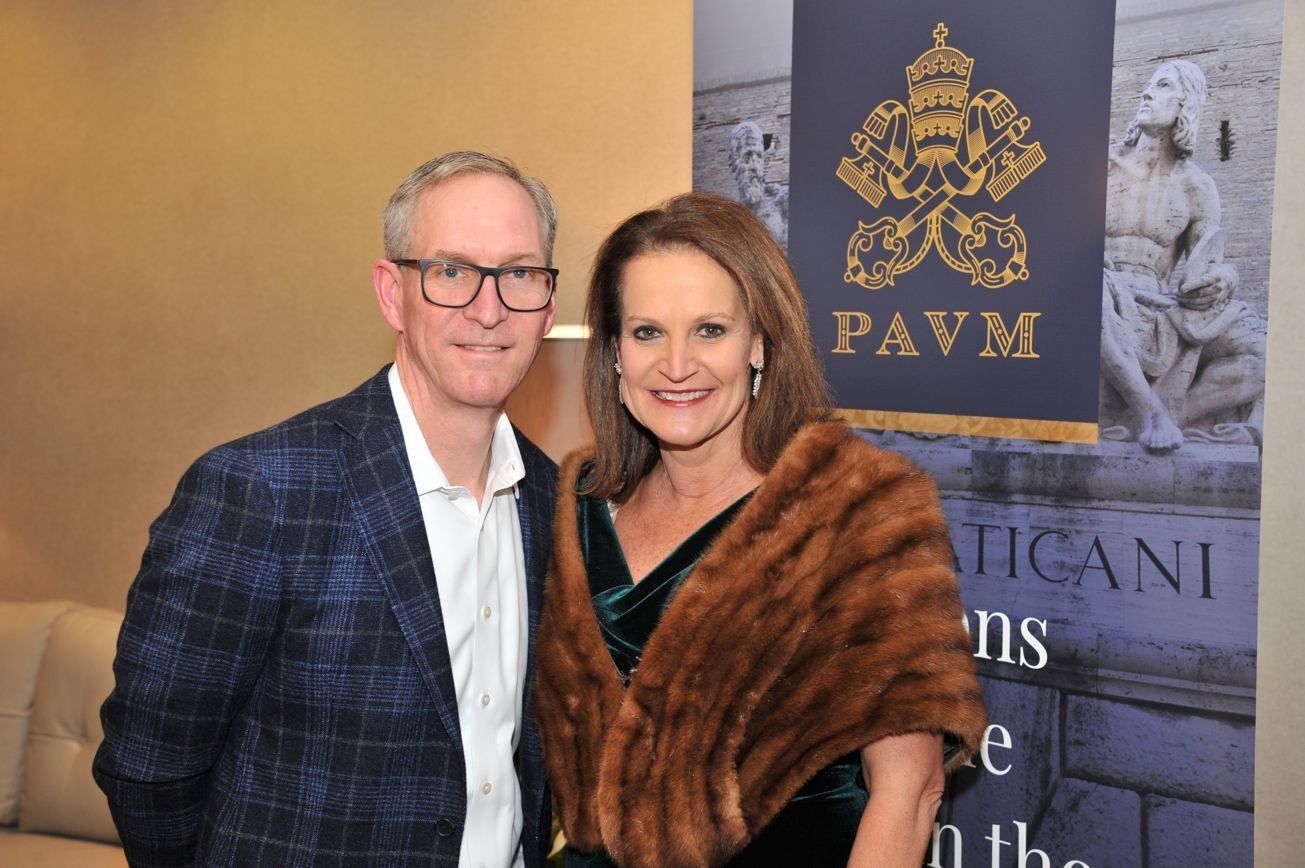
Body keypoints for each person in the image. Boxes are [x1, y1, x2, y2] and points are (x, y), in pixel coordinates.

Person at [93, 151, 559, 867]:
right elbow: (149, 766)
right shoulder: (259, 490)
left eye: (520, 274)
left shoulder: (554, 501)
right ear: (392, 294)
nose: (489, 308)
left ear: (548, 305)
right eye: (451, 271)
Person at [533, 192, 986, 868]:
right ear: (616, 352)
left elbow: (910, 788)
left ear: (759, 345)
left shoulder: (859, 510)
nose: (676, 365)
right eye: (647, 332)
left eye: (710, 330)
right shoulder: (576, 504)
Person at [1100, 59, 1265, 451]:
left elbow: (1208, 258)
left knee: (1265, 350)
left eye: (1162, 86)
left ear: (1185, 105)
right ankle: (1148, 413)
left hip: (1160, 303)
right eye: (1148, 85)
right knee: (1086, 289)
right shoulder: (1101, 165)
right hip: (1102, 288)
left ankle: (1177, 412)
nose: (1146, 93)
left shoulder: (1197, 186)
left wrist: (1224, 278)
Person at [729, 121, 789, 248]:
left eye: (759, 156)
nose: (754, 166)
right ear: (733, 163)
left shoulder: (782, 200)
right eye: (747, 157)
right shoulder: (730, 217)